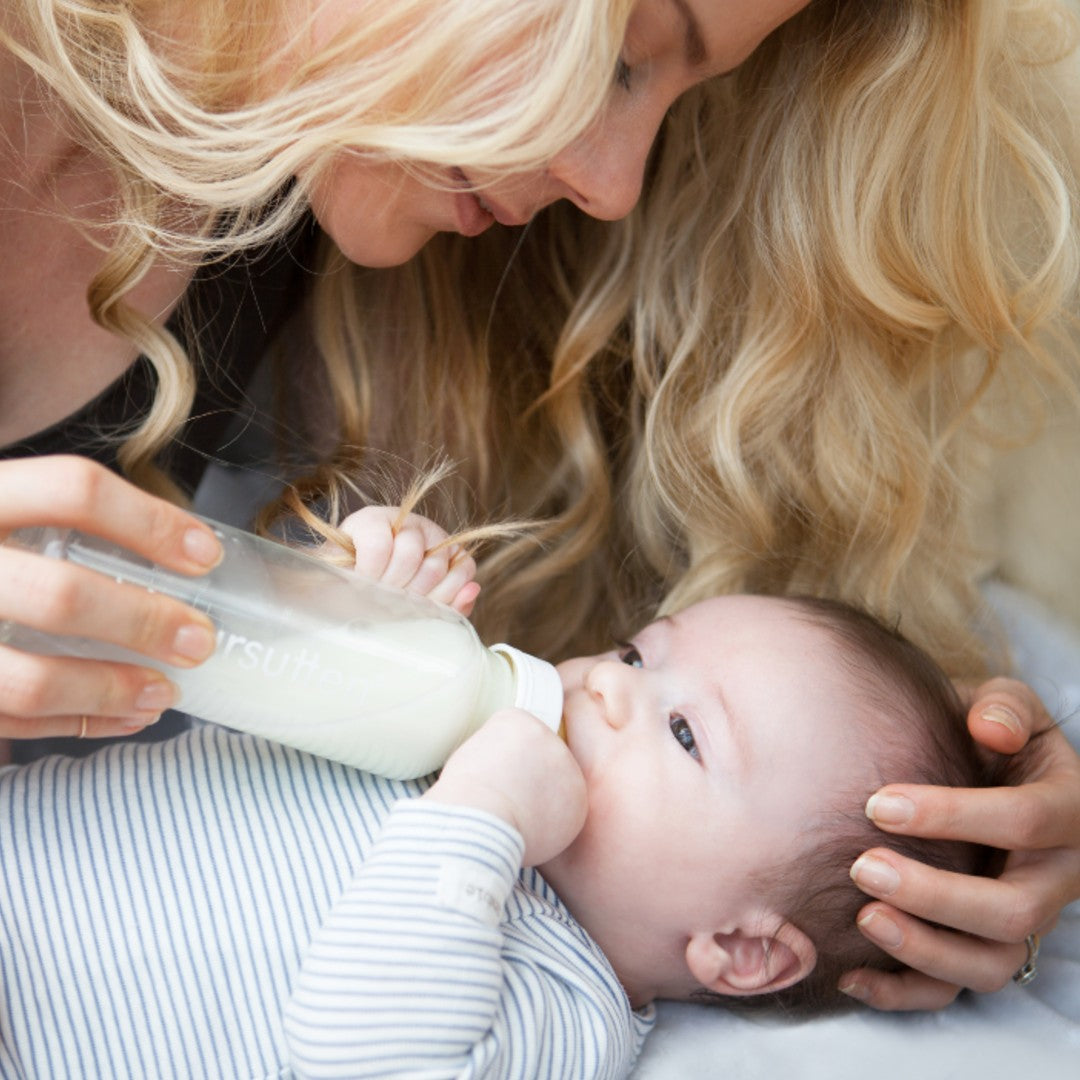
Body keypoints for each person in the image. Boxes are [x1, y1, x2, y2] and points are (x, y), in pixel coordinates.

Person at [1, 0, 1078, 1013]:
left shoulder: (337, 210)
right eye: (617, 55)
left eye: (681, 96)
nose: (614, 182)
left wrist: (946, 845)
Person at [0, 508, 1015, 1080]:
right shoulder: (430, 750)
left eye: (685, 733)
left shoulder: (566, 1011)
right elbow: (216, 695)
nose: (607, 683)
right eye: (635, 651)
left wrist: (478, 821)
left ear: (741, 949)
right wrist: (339, 612)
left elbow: (362, 1061)